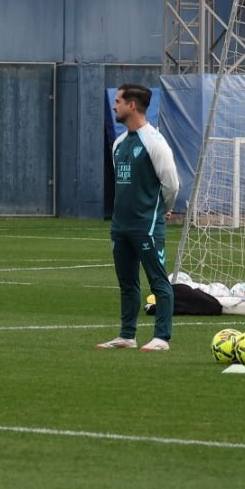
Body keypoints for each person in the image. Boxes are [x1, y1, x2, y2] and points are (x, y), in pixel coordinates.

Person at [97, 84, 179, 352]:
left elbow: (171, 184)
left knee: (159, 281)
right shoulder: (119, 143)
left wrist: (162, 208)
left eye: (118, 101)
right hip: (120, 227)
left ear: (132, 106)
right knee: (127, 283)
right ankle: (127, 335)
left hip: (147, 226)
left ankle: (161, 338)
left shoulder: (155, 142)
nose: (114, 105)